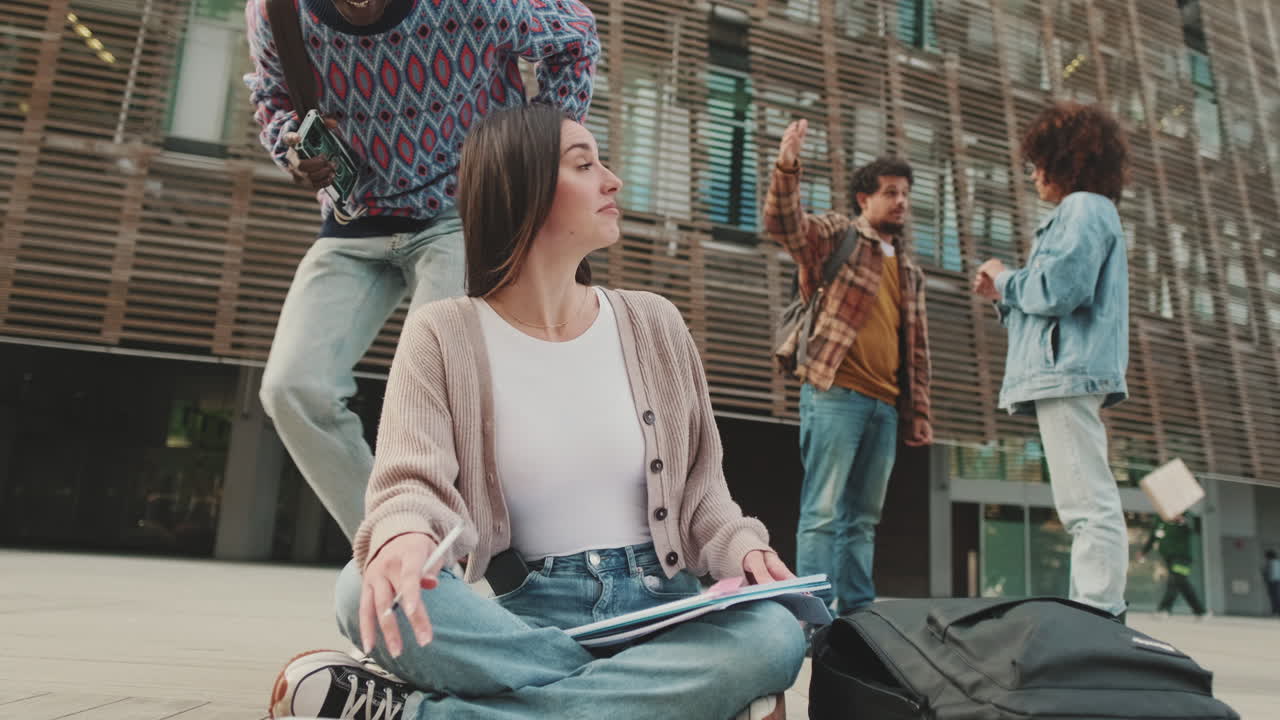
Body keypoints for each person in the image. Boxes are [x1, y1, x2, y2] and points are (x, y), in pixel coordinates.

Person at [266, 104, 807, 720]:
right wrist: (404, 532)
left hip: (665, 605)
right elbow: (410, 476)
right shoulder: (442, 333)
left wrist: (741, 547)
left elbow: (704, 491)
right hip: (528, 619)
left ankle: (424, 714)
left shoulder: (654, 322)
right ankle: (666, 700)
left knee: (775, 635)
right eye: (585, 165)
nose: (612, 180)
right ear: (520, 188)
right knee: (362, 586)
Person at [244, 0, 600, 538]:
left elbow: (574, 36)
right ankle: (396, 543)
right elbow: (271, 96)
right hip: (354, 220)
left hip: (461, 213)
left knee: (427, 391)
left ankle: (461, 543)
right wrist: (290, 147)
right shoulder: (277, 11)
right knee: (293, 388)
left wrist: (532, 156)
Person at [764, 119, 933, 615]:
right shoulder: (840, 234)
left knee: (863, 519)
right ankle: (814, 616)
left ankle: (858, 618)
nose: (900, 202)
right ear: (865, 199)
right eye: (889, 193)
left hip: (885, 405)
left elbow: (917, 351)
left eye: (905, 194)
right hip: (836, 393)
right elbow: (785, 226)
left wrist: (918, 413)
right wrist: (788, 164)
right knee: (822, 512)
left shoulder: (909, 268)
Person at [972, 101, 1131, 620]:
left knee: (1086, 502)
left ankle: (1098, 615)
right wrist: (1006, 294)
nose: (1033, 174)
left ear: (1064, 160)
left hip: (1066, 373)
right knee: (1084, 498)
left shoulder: (1083, 208)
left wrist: (1002, 278)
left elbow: (1059, 289)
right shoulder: (1091, 210)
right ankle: (1096, 611)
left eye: (1038, 161)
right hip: (1067, 370)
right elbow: (1051, 299)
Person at [1139, 514, 1205, 618]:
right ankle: (1200, 612)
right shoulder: (1160, 518)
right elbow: (1154, 536)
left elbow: (1197, 528)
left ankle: (1164, 609)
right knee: (1182, 584)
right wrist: (1143, 551)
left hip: (1182, 558)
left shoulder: (1186, 515)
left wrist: (1183, 521)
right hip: (1168, 558)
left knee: (1174, 581)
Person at [1264, 549, 1280, 617]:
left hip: (1273, 582)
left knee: (1274, 597)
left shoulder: (1270, 563)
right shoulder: (1278, 562)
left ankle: (1275, 611)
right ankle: (1275, 610)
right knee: (1276, 596)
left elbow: (1268, 573)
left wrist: (1264, 572)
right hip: (1277, 581)